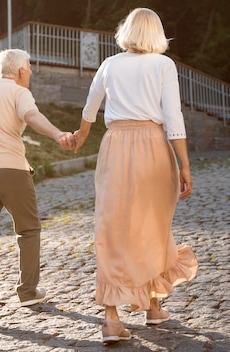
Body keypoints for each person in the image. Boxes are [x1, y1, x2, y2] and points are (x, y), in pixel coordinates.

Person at [73, 8, 199, 343]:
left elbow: (90, 107)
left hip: (115, 146)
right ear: (156, 33)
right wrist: (184, 164)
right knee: (152, 224)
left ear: (126, 31)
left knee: (114, 226)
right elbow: (173, 117)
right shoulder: (163, 65)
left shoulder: (110, 64)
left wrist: (81, 135)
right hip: (152, 147)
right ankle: (151, 305)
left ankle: (119, 316)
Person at [0, 48, 76, 322]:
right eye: (30, 67)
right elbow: (32, 116)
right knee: (28, 229)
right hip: (11, 170)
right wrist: (58, 134)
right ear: (21, 71)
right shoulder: (19, 92)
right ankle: (28, 291)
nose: (32, 72)